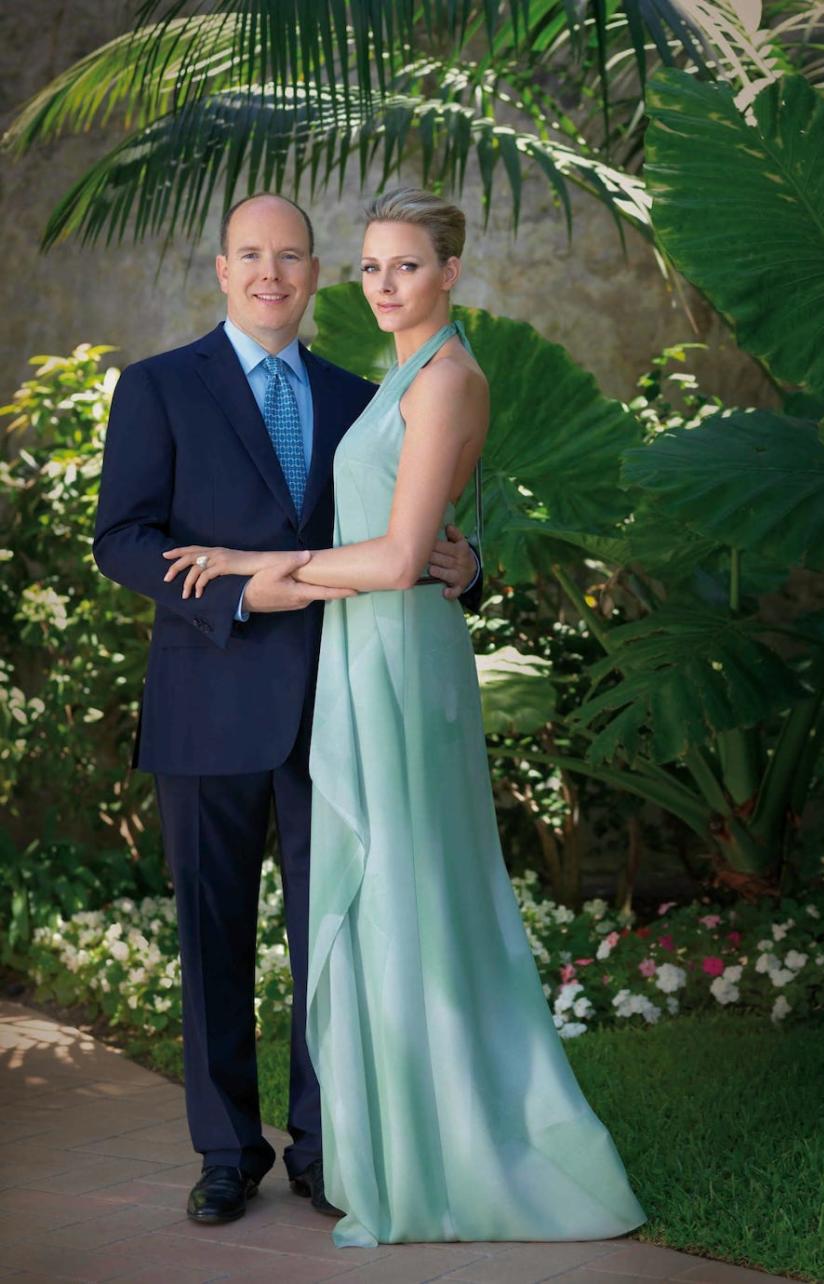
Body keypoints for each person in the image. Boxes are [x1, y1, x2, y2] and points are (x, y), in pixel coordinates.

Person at [164, 188, 647, 1247]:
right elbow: (398, 530)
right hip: (295, 676)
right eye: (373, 267)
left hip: (375, 669)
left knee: (389, 904)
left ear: (450, 271)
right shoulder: (368, 379)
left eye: (406, 266)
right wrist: (452, 558)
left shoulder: (411, 382)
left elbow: (397, 549)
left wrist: (257, 563)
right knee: (307, 916)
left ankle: (395, 1144)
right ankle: (301, 1147)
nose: (383, 285)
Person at [93, 192, 482, 1227]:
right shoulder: (159, 387)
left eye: (294, 256)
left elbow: (417, 521)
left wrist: (470, 562)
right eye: (251, 255)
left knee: (336, 936)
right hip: (206, 703)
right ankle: (227, 1151)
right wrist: (233, 593)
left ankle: (322, 1144)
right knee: (213, 935)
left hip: (340, 705)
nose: (272, 273)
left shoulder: (367, 392)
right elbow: (122, 539)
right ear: (221, 269)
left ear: (314, 274)